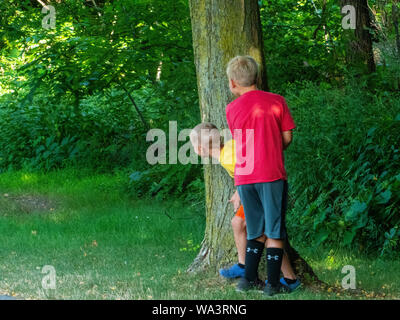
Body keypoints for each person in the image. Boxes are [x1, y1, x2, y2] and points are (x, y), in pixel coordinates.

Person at [189, 123, 300, 292]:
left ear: (199, 149)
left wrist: (240, 193)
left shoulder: (227, 157)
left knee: (264, 232)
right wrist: (238, 191)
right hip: (259, 191)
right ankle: (246, 266)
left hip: (260, 194)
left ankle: (285, 276)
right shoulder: (228, 148)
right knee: (245, 225)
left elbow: (250, 169)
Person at [225, 55, 299, 296]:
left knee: (255, 229)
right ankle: (273, 285)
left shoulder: (231, 109)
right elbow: (287, 137)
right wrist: (272, 148)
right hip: (271, 175)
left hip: (244, 178)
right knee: (275, 230)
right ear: (256, 77)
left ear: (233, 83)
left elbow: (241, 142)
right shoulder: (277, 101)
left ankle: (247, 280)